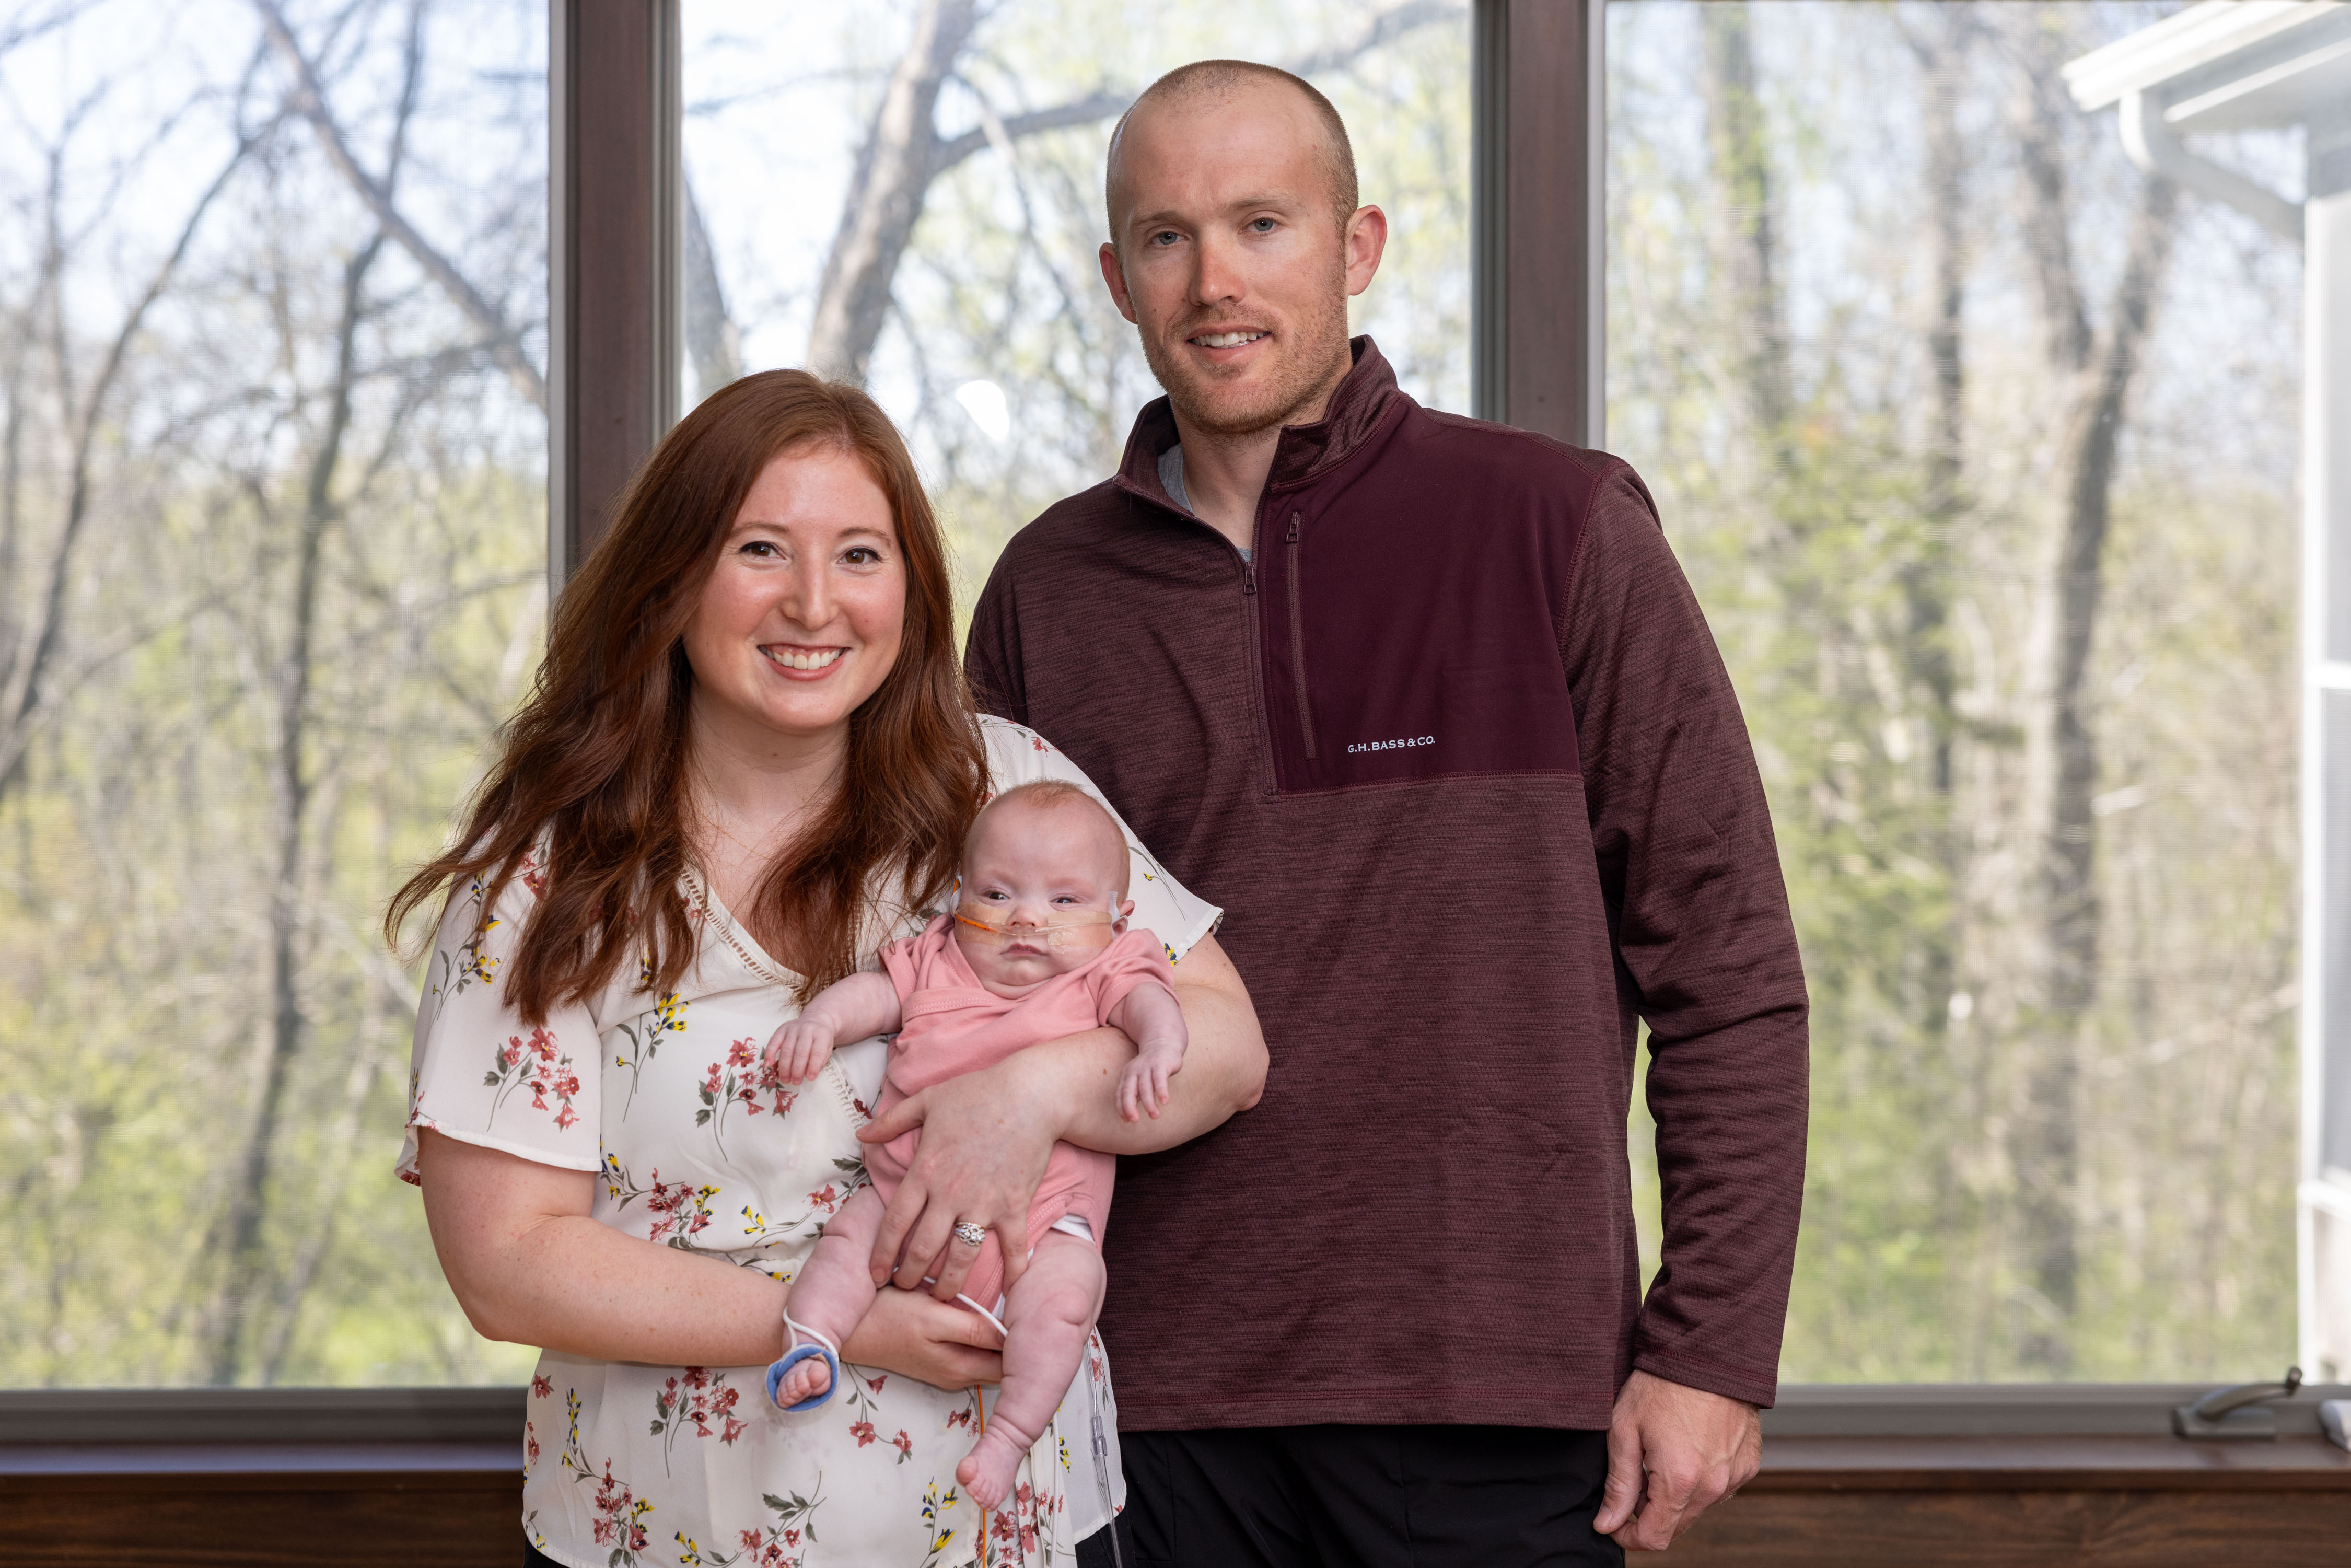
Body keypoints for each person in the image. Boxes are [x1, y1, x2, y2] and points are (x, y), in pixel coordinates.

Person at [951, 60, 1811, 1566]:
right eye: (1165, 237)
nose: (1214, 279)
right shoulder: (1048, 590)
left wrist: (1710, 1348)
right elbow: (976, 984)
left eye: (1263, 223)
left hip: (1492, 1390)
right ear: (1115, 277)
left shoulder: (1557, 526)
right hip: (1130, 1396)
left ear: (1356, 248)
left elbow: (1726, 975)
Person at [387, 370, 1265, 1567]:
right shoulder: (555, 876)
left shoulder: (1001, 787)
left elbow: (1227, 1049)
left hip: (1002, 1535)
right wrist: (847, 1324)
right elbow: (507, 1263)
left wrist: (1037, 1091)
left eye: (860, 554)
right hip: (662, 1531)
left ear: (910, 583)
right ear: (676, 574)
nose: (814, 603)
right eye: (761, 549)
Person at [763, 780, 1189, 1511]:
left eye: (1065, 901)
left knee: (1067, 1301)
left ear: (1117, 918)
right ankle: (813, 1341)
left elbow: (1155, 1004)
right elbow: (875, 997)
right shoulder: (936, 955)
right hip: (899, 1199)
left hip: (1044, 1226)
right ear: (959, 896)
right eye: (997, 893)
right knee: (845, 1247)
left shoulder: (1104, 971)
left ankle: (1011, 1436)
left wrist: (1158, 1050)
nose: (1027, 916)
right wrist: (822, 1024)